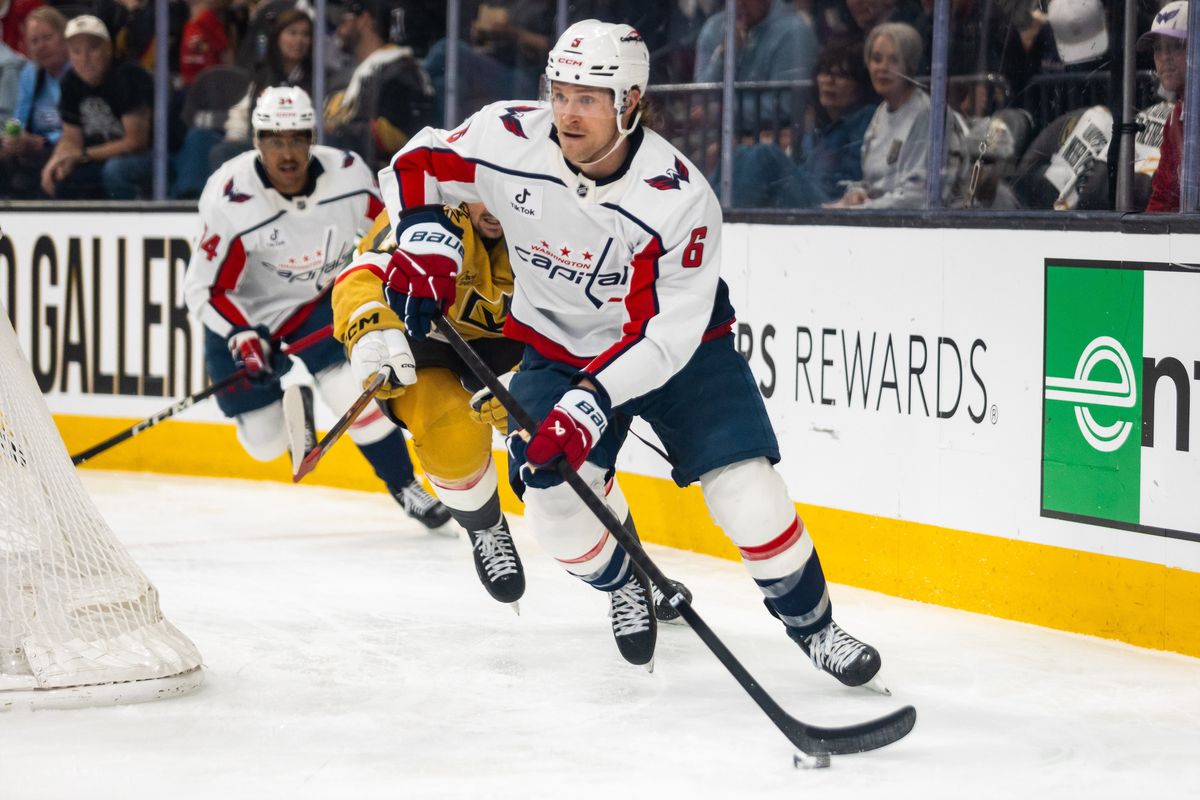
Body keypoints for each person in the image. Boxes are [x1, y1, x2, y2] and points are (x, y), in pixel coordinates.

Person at [372, 20, 884, 686]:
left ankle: (817, 629)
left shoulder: (677, 197)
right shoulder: (507, 138)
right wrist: (424, 237)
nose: (567, 112)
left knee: (748, 493)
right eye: (560, 92)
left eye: (588, 97)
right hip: (559, 351)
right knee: (554, 506)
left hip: (682, 353)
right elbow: (414, 164)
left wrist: (590, 403)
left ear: (631, 102)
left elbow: (666, 335)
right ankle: (625, 581)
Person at [183, 86, 451, 534]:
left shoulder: (346, 175)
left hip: (315, 303)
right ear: (256, 141)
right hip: (242, 316)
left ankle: (405, 485)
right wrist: (241, 334)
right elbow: (203, 289)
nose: (286, 153)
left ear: (312, 137)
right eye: (274, 140)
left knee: (351, 386)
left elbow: (389, 229)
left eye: (297, 139)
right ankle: (296, 406)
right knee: (266, 444)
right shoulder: (229, 197)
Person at [717, 36, 877, 208]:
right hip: (806, 194)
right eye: (824, 73)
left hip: (833, 203)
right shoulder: (819, 129)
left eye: (840, 76)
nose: (829, 82)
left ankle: (715, 221)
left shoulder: (866, 119)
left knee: (763, 156)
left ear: (860, 86)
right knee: (740, 153)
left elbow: (860, 175)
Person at [826, 22, 968, 209]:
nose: (883, 68)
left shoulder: (927, 114)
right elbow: (873, 183)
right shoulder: (880, 113)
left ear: (909, 67)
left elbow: (918, 196)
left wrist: (860, 210)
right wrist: (857, 193)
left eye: (893, 60)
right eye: (877, 59)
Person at [39, 15, 153, 199]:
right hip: (96, 157)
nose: (85, 59)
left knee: (115, 170)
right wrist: (58, 160)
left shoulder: (129, 76)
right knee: (59, 175)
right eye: (76, 51)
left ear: (108, 48)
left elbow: (135, 143)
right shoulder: (70, 81)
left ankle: (129, 223)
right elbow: (71, 138)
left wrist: (82, 155)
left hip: (148, 157)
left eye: (92, 49)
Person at [324, 0, 435, 169]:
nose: (339, 27)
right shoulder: (355, 74)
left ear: (365, 20)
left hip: (379, 183)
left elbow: (402, 136)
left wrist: (338, 129)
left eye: (344, 18)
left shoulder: (400, 71)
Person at [0, 5, 66, 198]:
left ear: (64, 38)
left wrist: (44, 142)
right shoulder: (30, 73)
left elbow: (79, 129)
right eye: (34, 41)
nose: (41, 46)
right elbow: (18, 121)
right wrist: (12, 139)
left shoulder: (75, 75)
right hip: (31, 149)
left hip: (62, 147)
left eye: (47, 38)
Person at [1142, 0, 1187, 213]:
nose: (1164, 58)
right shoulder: (1175, 117)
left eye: (1176, 46)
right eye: (1158, 48)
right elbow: (1163, 197)